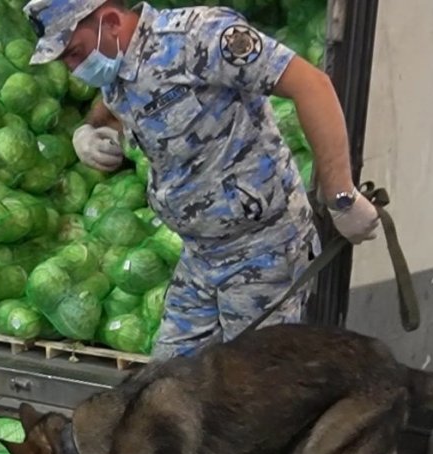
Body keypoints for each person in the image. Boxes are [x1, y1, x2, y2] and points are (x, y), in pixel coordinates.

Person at [24, 0, 380, 359]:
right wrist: (91, 130)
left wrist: (341, 195)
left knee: (253, 390)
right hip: (201, 255)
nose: (73, 69)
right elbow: (122, 100)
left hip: (263, 249)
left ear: (112, 22)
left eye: (74, 53)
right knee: (166, 385)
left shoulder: (199, 35)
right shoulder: (117, 66)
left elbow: (311, 84)